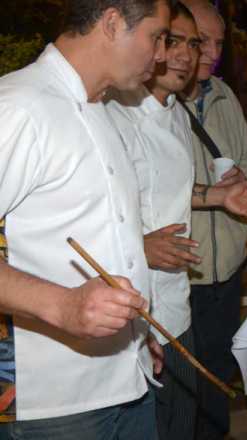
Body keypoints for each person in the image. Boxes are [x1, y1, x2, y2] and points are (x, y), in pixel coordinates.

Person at [105, 5, 247, 438]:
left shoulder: (177, 114)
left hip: (175, 302)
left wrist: (220, 195)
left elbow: (174, 189)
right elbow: (93, 207)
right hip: (131, 307)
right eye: (172, 40)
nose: (186, 54)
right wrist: (139, 245)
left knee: (191, 415)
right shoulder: (113, 111)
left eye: (194, 44)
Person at [0, 0, 170, 437]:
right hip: (57, 404)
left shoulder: (100, 108)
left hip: (129, 379)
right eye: (157, 36)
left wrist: (137, 334)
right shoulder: (19, 106)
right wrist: (61, 305)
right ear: (113, 23)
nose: (163, 54)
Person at [180, 1, 247, 437]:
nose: (211, 52)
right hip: (180, 274)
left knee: (216, 384)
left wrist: (243, 177)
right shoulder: (151, 103)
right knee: (178, 391)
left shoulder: (225, 95)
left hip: (226, 269)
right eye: (201, 41)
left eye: (218, 42)